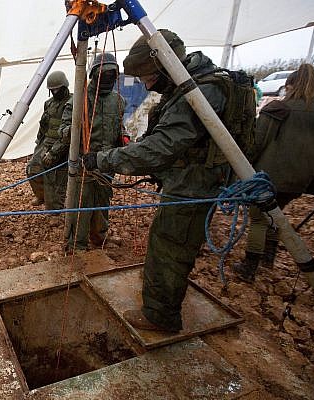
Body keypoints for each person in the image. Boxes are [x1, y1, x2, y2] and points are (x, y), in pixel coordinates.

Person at [82, 30, 231, 332]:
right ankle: (160, 292)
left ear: (165, 64)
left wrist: (103, 159)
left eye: (148, 76)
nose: (147, 84)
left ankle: (160, 316)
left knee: (170, 248)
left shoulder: (201, 91)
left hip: (193, 188)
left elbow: (161, 146)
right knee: (166, 243)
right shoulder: (193, 86)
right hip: (187, 182)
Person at [233, 64, 314, 283]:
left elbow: (256, 143)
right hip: (301, 179)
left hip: (269, 178)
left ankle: (249, 268)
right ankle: (269, 259)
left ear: (289, 85)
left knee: (259, 218)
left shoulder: (278, 108)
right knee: (276, 214)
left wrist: (241, 171)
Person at [58, 52, 125, 250]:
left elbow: (119, 126)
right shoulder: (78, 100)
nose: (108, 79)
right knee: (81, 204)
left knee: (103, 201)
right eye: (104, 75)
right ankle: (76, 245)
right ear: (94, 74)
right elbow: (63, 132)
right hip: (83, 164)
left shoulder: (118, 100)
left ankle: (99, 236)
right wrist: (76, 128)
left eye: (111, 76)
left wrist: (124, 138)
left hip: (106, 163)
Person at [26, 70, 72, 209]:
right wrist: (38, 144)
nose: (54, 92)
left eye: (57, 89)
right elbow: (43, 125)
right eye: (52, 90)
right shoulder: (49, 104)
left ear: (64, 87)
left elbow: (69, 133)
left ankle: (54, 209)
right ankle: (42, 196)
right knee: (32, 169)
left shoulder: (72, 103)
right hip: (46, 142)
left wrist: (53, 153)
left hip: (64, 145)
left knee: (55, 178)